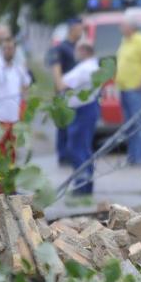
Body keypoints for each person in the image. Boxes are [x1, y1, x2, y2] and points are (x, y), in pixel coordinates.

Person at [0, 37, 31, 196]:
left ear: (15, 50)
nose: (8, 51)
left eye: (11, 48)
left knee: (10, 155)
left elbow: (26, 85)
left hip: (13, 120)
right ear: (1, 49)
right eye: (6, 48)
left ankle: (9, 185)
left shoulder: (18, 68)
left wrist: (22, 106)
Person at [59, 42, 101, 195]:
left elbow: (63, 84)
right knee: (84, 148)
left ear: (83, 51)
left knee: (76, 148)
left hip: (81, 110)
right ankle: (86, 185)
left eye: (77, 49)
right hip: (88, 108)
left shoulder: (85, 68)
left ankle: (81, 186)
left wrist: (55, 69)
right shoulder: (91, 66)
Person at [115, 14, 141, 166]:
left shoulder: (140, 39)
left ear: (131, 27)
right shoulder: (125, 40)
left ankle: (140, 158)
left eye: (122, 25)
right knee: (128, 125)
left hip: (136, 88)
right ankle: (132, 157)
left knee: (139, 124)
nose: (120, 28)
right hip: (124, 87)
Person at [49, 18, 83, 166]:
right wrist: (59, 86)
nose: (81, 31)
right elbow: (56, 67)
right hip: (65, 91)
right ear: (72, 29)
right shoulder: (62, 47)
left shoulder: (80, 47)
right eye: (79, 28)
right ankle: (63, 155)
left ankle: (71, 152)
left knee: (74, 124)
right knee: (64, 125)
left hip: (76, 93)